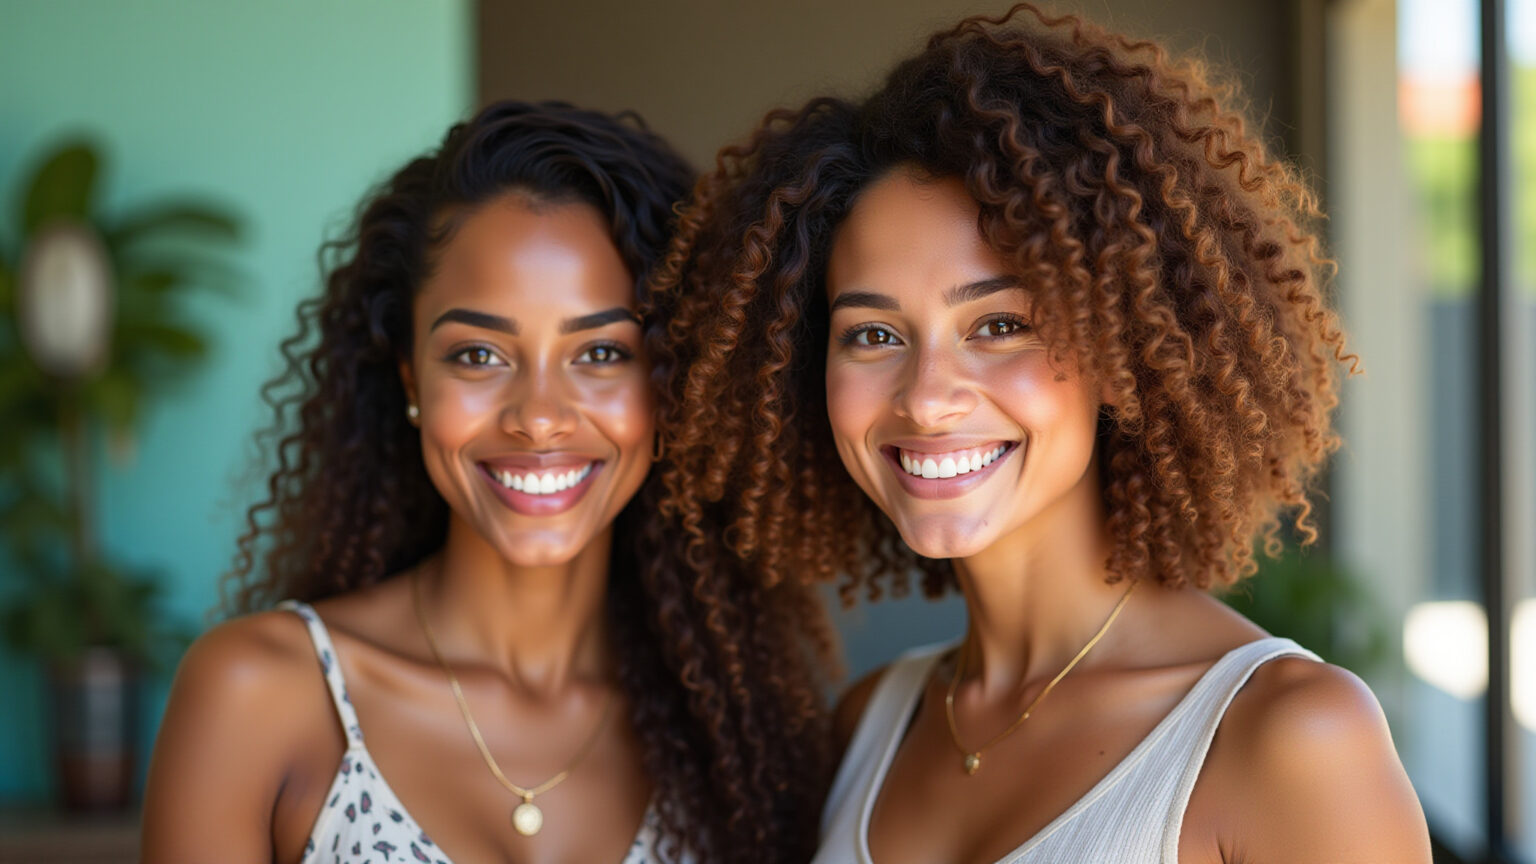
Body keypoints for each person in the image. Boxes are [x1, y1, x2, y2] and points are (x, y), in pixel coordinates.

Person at [648, 6, 1431, 863]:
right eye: (873, 335)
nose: (928, 399)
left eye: (998, 326)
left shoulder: (1288, 739)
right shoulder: (867, 726)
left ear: (1124, 342)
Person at [142, 100, 833, 864]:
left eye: (602, 353)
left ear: (672, 384)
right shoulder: (260, 693)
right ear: (411, 378)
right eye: (478, 355)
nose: (539, 419)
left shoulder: (737, 732)